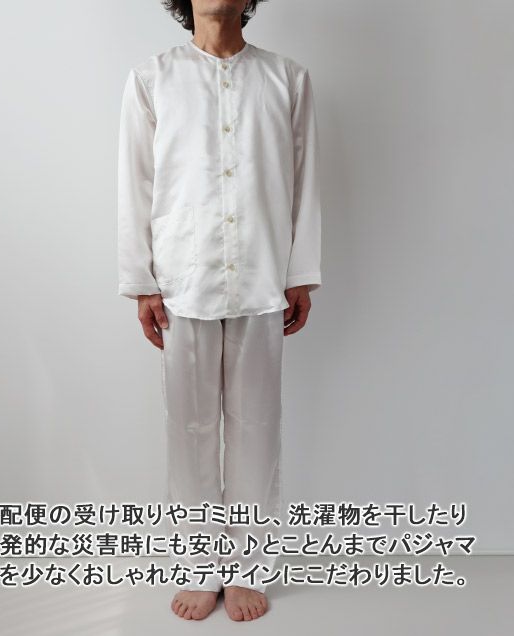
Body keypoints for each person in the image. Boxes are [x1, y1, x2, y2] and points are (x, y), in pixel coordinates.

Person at [117, 0, 321, 622]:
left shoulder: (287, 78)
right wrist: (141, 281)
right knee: (190, 428)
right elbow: (136, 182)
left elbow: (305, 179)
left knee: (257, 427)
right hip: (183, 278)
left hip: (262, 274)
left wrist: (300, 272)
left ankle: (248, 567)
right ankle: (199, 565)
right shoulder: (152, 78)